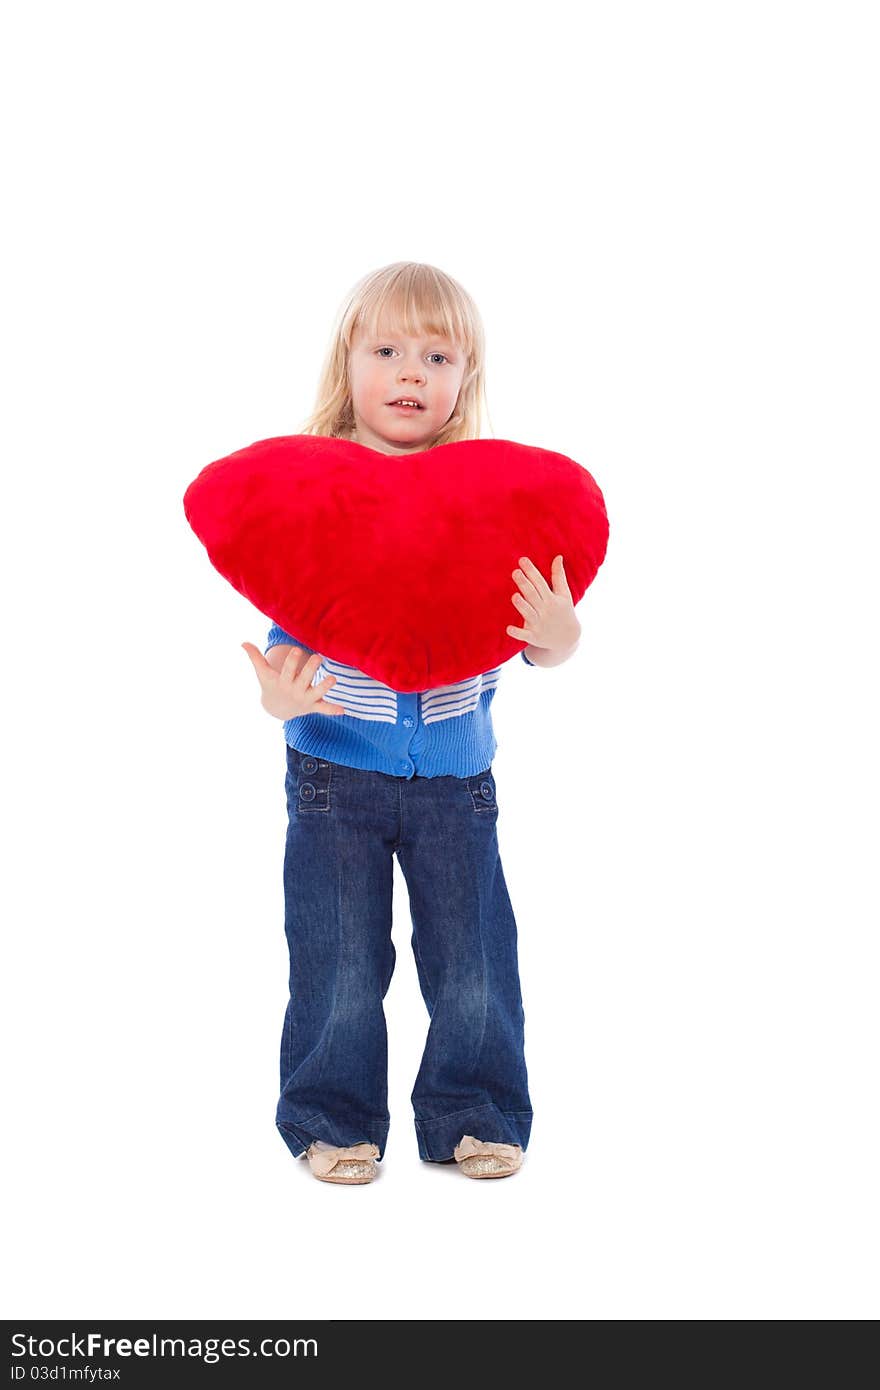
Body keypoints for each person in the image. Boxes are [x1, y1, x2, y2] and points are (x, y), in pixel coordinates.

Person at [241, 262, 582, 1184]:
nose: (409, 372)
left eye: (436, 355)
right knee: (338, 957)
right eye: (386, 350)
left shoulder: (492, 498)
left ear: (465, 376)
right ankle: (330, 1115)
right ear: (347, 362)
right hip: (333, 770)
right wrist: (280, 697)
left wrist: (561, 636)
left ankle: (476, 1109)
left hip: (456, 778)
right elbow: (289, 618)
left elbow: (527, 634)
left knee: (472, 956)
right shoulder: (312, 488)